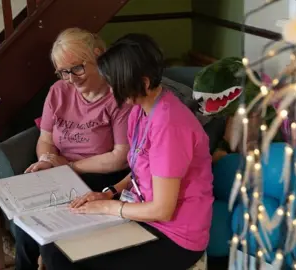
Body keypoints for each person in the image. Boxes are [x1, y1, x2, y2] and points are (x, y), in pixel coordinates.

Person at [28, 33, 214, 270]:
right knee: (53, 248)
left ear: (144, 82)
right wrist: (109, 192)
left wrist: (108, 207)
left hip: (174, 235)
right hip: (140, 215)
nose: (111, 88)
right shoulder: (139, 109)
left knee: (67, 258)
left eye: (116, 82)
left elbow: (163, 210)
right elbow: (139, 172)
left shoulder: (169, 125)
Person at [15, 28, 132, 269]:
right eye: (63, 71)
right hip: (59, 171)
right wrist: (46, 161)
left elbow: (120, 158)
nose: (71, 78)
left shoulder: (119, 97)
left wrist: (68, 167)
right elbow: (45, 139)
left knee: (52, 226)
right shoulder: (58, 91)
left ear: (98, 56)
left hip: (101, 176)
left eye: (77, 68)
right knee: (24, 221)